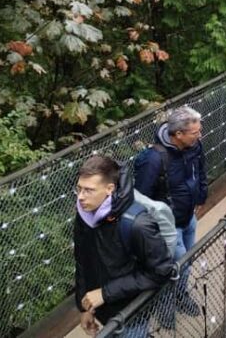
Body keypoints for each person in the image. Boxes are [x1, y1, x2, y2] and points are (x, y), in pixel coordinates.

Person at [74, 155, 173, 337]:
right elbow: (82, 261)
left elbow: (162, 271)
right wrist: (84, 307)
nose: (80, 197)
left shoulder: (138, 224)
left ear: (109, 189)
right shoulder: (84, 216)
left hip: (131, 314)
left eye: (89, 190)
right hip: (101, 308)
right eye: (79, 189)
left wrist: (105, 293)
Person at [134, 106, 207, 318]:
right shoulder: (153, 159)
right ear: (178, 134)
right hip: (168, 226)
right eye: (195, 133)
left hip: (188, 216)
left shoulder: (194, 146)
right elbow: (141, 198)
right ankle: (166, 311)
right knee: (176, 267)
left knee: (186, 262)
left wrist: (201, 196)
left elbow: (200, 170)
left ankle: (180, 298)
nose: (199, 135)